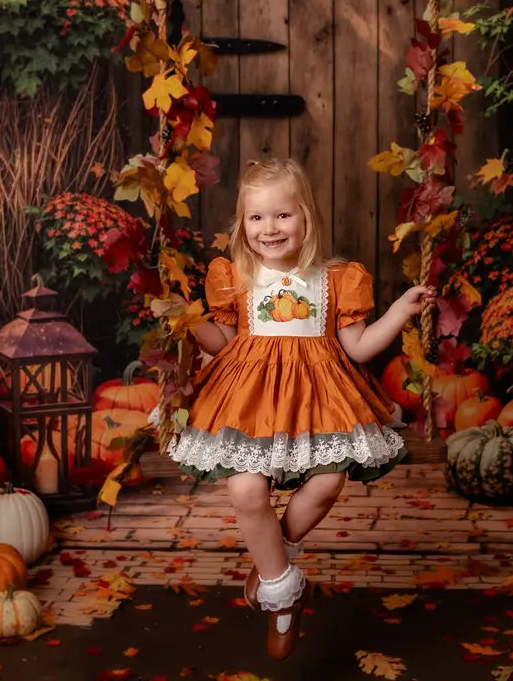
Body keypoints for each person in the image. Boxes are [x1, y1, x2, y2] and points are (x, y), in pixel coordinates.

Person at [163, 157, 434, 661]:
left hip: (316, 400)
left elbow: (358, 348)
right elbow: (221, 342)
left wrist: (399, 311)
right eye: (256, 218)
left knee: (328, 483)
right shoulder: (235, 276)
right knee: (246, 489)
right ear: (242, 225)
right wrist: (186, 317)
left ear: (306, 217)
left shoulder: (335, 279)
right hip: (248, 399)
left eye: (282, 215)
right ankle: (283, 594)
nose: (269, 228)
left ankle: (271, 559)